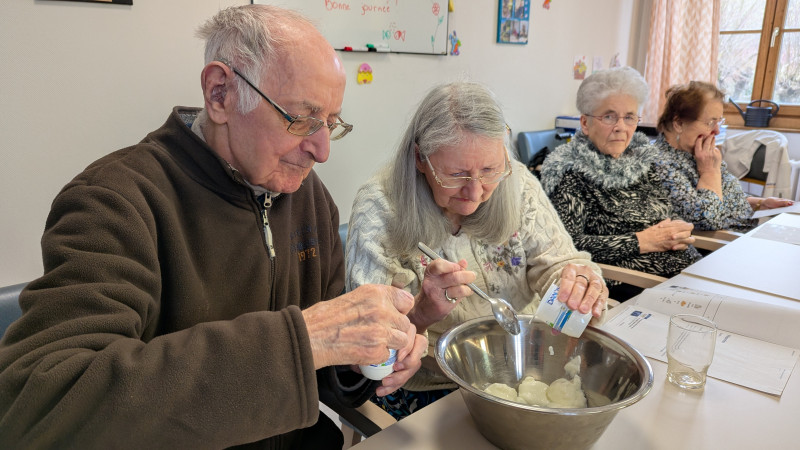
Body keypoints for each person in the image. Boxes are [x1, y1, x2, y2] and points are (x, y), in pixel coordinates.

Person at [0, 5, 426, 449]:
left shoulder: (308, 196)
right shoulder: (115, 202)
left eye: (331, 124)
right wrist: (304, 340)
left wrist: (362, 353)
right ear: (220, 93)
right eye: (302, 119)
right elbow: (41, 403)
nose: (322, 151)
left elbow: (317, 375)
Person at [345, 81, 608, 419]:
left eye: (489, 170)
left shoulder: (519, 184)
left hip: (526, 368)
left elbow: (559, 263)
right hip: (433, 382)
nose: (476, 193)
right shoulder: (381, 206)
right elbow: (369, 342)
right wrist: (422, 313)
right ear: (420, 158)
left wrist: (578, 282)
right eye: (456, 175)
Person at [540, 67, 701, 302]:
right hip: (636, 286)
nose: (621, 127)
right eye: (609, 116)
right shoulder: (570, 173)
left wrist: (677, 229)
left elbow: (665, 211)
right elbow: (567, 245)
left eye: (629, 117)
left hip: (685, 273)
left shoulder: (641, 159)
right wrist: (640, 242)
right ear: (585, 123)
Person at [652, 81, 794, 231]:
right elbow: (708, 219)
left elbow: (725, 196)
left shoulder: (697, 153)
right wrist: (709, 172)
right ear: (679, 123)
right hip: (717, 242)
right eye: (710, 122)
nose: (717, 131)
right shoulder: (659, 164)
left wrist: (760, 203)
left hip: (741, 235)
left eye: (719, 121)